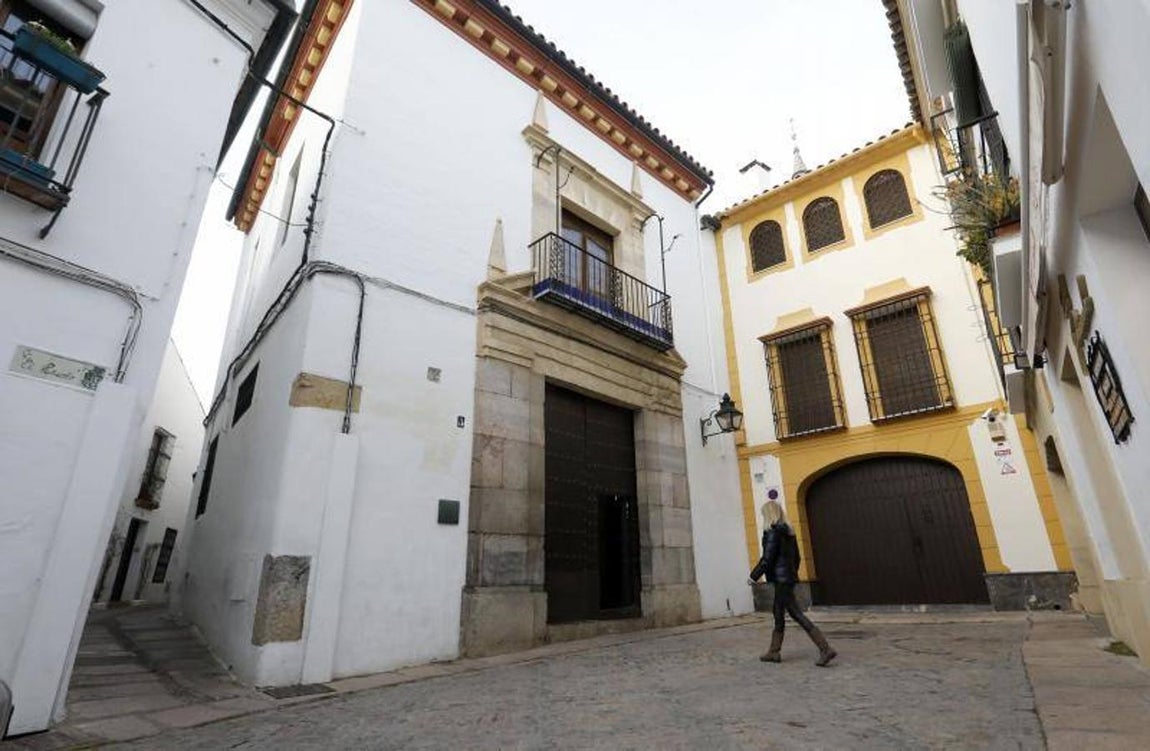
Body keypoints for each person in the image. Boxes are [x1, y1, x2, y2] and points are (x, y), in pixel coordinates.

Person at [748, 500, 836, 666]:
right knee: (778, 612)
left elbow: (767, 559)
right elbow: (797, 557)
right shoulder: (789, 532)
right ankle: (774, 651)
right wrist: (791, 573)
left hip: (781, 580)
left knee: (795, 613)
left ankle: (825, 649)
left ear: (769, 514)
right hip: (787, 579)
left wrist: (753, 576)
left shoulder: (772, 532)